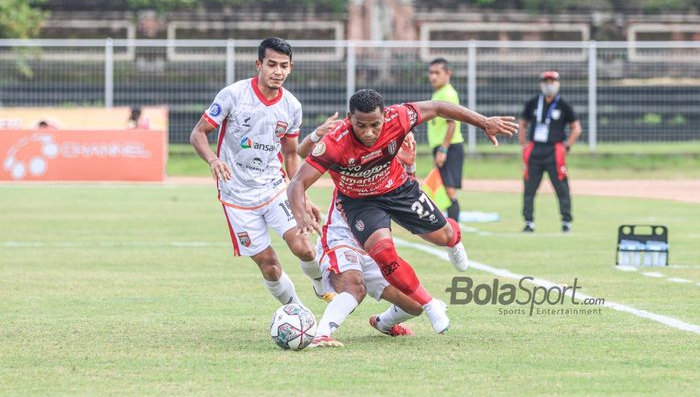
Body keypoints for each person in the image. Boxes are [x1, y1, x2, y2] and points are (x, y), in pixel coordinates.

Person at [287, 89, 518, 334]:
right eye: (360, 125)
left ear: (385, 116)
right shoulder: (335, 142)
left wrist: (483, 122)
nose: (368, 133)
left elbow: (438, 106)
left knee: (444, 236)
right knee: (383, 254)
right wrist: (300, 212)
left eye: (375, 125)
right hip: (362, 204)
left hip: (398, 189)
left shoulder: (399, 117)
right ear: (349, 118)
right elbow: (298, 181)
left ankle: (453, 242)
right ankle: (430, 305)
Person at [189, 37, 331, 307]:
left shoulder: (292, 106)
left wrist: (302, 196)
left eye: (284, 66)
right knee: (270, 267)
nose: (278, 71)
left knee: (304, 247)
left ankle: (320, 285)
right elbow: (198, 133)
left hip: (274, 187)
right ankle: (297, 314)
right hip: (237, 197)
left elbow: (290, 153)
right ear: (259, 65)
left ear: (291, 68)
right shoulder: (233, 95)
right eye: (272, 64)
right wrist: (212, 160)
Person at [296, 114, 424, 348]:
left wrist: (410, 165)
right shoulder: (345, 149)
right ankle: (320, 334)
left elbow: (411, 198)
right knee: (355, 287)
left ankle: (383, 323)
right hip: (341, 238)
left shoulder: (390, 160)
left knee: (417, 304)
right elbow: (302, 153)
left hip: (373, 250)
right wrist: (317, 133)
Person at [519, 71, 582, 233]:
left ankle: (566, 221)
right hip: (535, 150)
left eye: (552, 81)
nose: (549, 84)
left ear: (558, 83)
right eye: (546, 81)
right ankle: (528, 221)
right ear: (541, 84)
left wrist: (567, 146)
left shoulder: (563, 105)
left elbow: (576, 128)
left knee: (561, 187)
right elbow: (522, 124)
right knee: (529, 187)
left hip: (554, 151)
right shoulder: (533, 103)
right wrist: (524, 144)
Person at [427, 58, 464, 221]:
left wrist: (443, 149)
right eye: (431, 73)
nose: (433, 77)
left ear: (448, 74)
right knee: (442, 188)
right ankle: (448, 225)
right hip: (441, 146)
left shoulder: (448, 94)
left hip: (450, 147)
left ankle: (455, 227)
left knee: (449, 190)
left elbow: (452, 124)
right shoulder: (438, 93)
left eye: (437, 73)